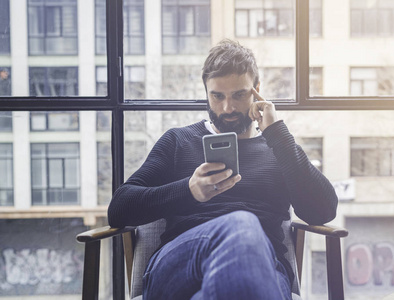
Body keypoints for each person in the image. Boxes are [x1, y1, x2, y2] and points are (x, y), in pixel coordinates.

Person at [108, 39, 338, 300]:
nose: (228, 108)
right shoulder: (178, 141)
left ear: (257, 91)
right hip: (179, 265)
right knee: (241, 225)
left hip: (264, 267)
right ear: (206, 93)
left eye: (239, 95)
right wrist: (188, 191)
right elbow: (118, 209)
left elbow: (323, 211)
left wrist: (277, 134)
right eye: (217, 96)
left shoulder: (279, 149)